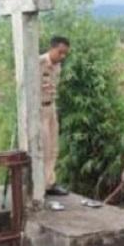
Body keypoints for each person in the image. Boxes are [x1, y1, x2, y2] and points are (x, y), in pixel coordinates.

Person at [39, 36, 70, 197]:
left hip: (51, 107)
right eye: (60, 52)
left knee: (54, 147)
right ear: (52, 49)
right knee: (43, 148)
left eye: (65, 54)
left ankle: (50, 183)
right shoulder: (38, 63)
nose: (62, 57)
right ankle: (39, 185)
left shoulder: (58, 67)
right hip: (39, 109)